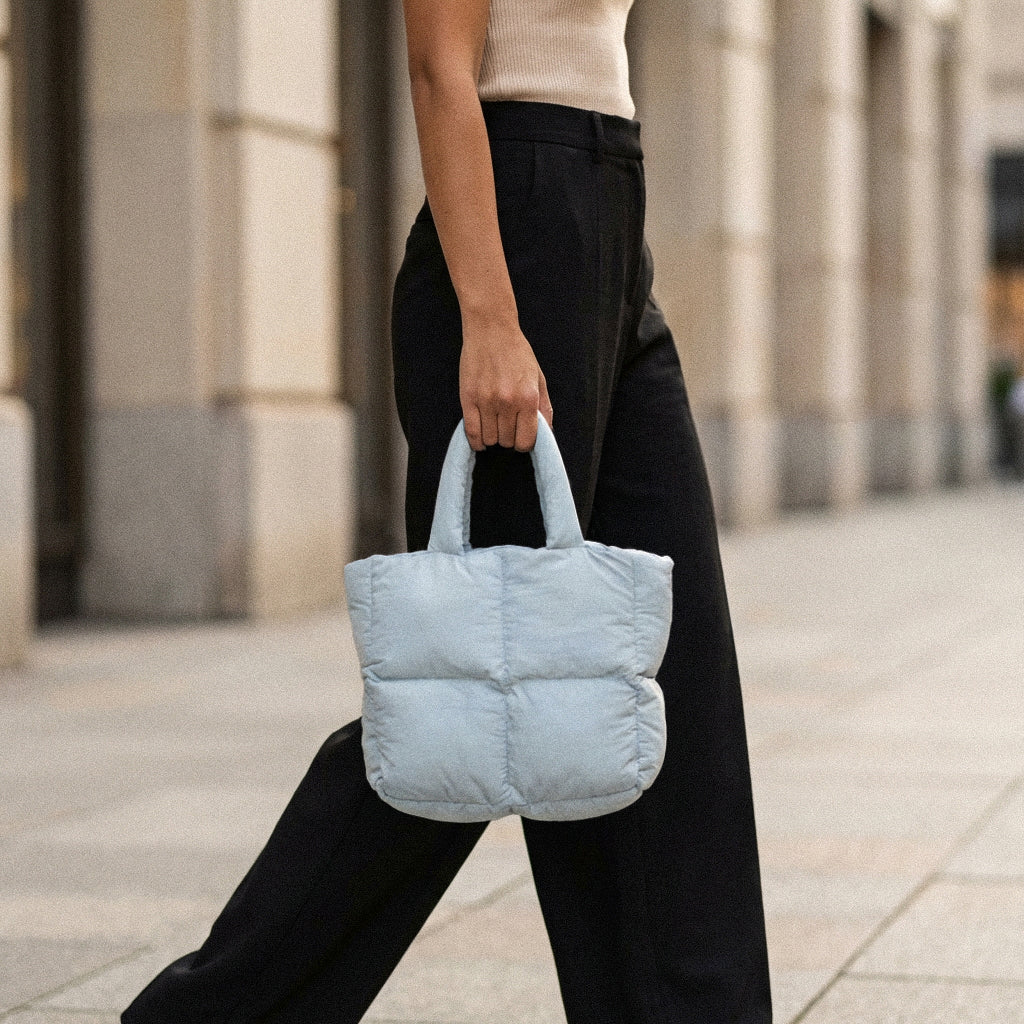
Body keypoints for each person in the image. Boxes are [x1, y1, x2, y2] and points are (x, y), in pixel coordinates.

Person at [120, 1, 774, 1021]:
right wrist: (491, 317)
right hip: (516, 226)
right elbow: (438, 68)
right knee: (463, 698)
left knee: (667, 678)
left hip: (605, 206)